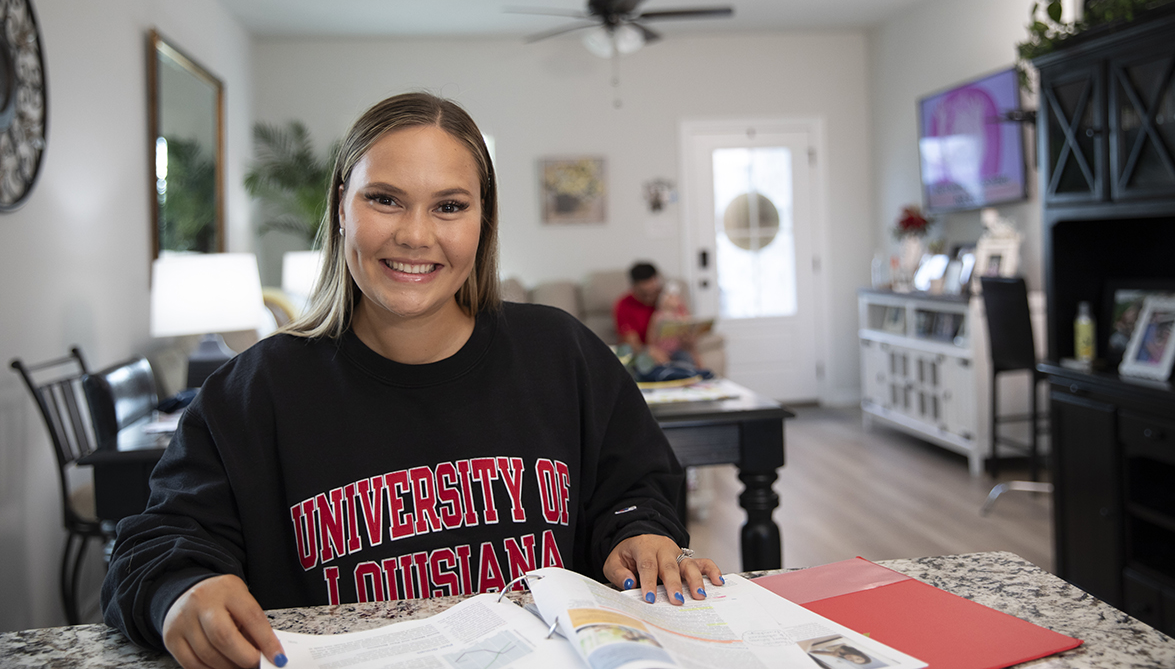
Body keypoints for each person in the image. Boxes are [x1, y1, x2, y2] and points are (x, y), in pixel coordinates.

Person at [102, 93, 721, 669]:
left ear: (482, 222)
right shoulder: (251, 392)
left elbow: (636, 486)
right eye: (385, 199)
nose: (416, 235)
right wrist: (185, 589)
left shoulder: (562, 353)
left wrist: (638, 530)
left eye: (449, 206)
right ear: (342, 205)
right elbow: (159, 542)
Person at [614, 262, 667, 363]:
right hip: (641, 354)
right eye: (645, 294)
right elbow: (632, 343)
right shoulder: (624, 305)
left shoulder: (666, 299)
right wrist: (648, 351)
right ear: (634, 286)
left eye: (653, 291)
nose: (650, 297)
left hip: (670, 350)